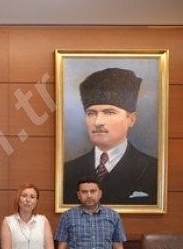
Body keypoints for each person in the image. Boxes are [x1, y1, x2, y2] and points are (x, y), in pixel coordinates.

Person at [63, 67, 158, 205]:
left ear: (131, 119)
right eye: (91, 113)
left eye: (109, 112)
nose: (97, 122)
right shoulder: (68, 170)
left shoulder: (153, 169)